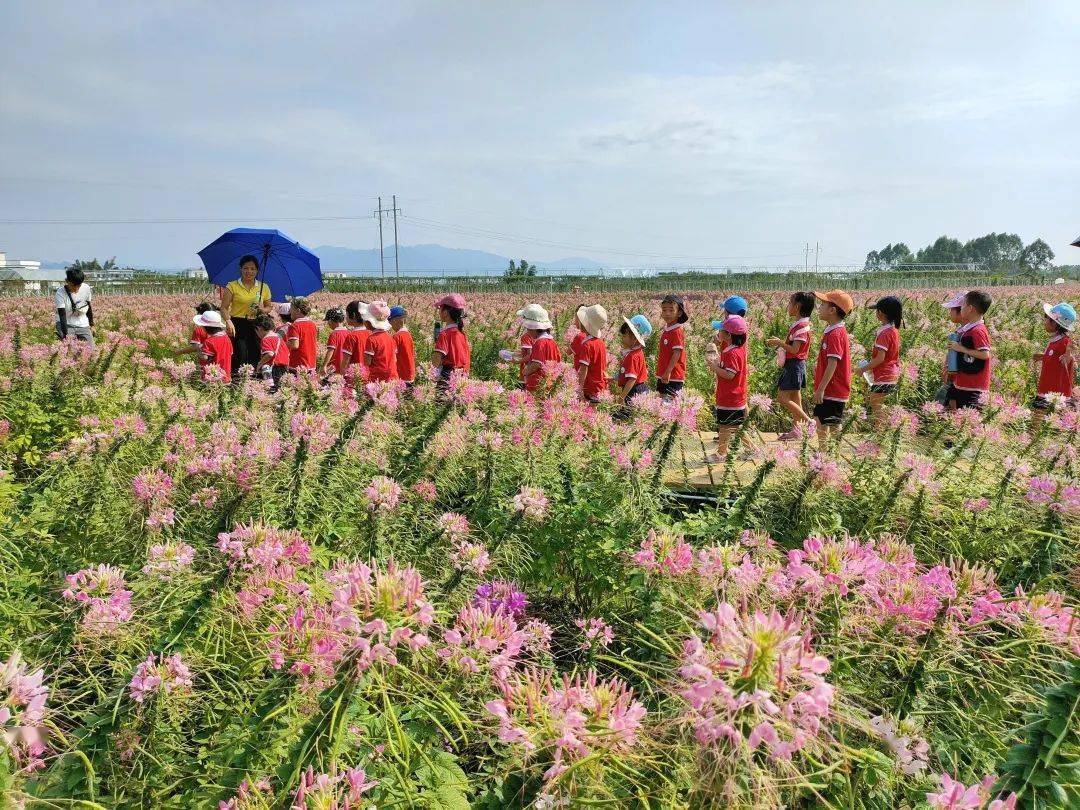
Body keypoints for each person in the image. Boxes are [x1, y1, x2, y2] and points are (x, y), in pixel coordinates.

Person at [766, 291, 814, 439]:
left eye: (790, 303)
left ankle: (808, 421)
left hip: (794, 365)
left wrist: (779, 343)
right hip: (796, 364)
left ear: (797, 306)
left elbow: (795, 349)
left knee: (782, 398)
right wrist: (781, 341)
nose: (788, 306)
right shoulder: (800, 324)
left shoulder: (801, 327)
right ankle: (796, 430)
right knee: (794, 397)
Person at [810, 289, 853, 448]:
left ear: (832, 310)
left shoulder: (836, 334)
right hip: (830, 388)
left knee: (832, 424)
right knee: (821, 421)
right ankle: (824, 454)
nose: (819, 308)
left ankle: (830, 455)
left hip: (833, 389)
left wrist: (821, 389)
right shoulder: (833, 331)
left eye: (822, 304)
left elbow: (833, 363)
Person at [705, 315, 748, 462]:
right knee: (736, 426)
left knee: (724, 427)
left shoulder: (732, 353)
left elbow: (729, 375)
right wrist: (718, 363)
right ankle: (752, 450)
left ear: (729, 335)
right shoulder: (735, 349)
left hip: (730, 397)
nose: (718, 332)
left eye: (721, 330)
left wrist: (714, 367)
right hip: (734, 396)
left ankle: (721, 454)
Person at [220, 255, 272, 373]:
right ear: (240, 269)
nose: (249, 271)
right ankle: (238, 380)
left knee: (256, 352)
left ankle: (255, 382)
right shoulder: (232, 286)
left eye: (253, 269)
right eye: (246, 268)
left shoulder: (264, 287)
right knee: (240, 352)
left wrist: (262, 309)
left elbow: (269, 307)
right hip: (238, 324)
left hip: (257, 325)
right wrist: (228, 321)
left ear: (257, 271)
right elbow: (223, 307)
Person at [1031, 301, 1076, 429]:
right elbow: (1054, 357)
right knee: (1039, 422)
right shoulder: (1055, 340)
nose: (1044, 321)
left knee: (1053, 426)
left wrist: (1068, 356)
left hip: (1057, 394)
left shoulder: (1066, 342)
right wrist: (1042, 357)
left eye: (1047, 318)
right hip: (1045, 389)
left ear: (1055, 323)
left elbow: (1069, 357)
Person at [860, 296, 903, 428]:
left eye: (877, 310)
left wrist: (862, 369)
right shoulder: (893, 330)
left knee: (877, 406)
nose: (876, 313)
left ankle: (881, 435)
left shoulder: (884, 334)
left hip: (884, 375)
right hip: (891, 374)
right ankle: (885, 431)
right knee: (879, 404)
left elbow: (880, 358)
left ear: (881, 313)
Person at [946, 290, 992, 412]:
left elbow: (985, 354)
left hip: (974, 388)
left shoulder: (978, 330)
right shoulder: (967, 330)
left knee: (970, 423)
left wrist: (961, 348)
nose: (961, 308)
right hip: (963, 384)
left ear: (970, 308)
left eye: (963, 305)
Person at [614, 315, 651, 419]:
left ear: (634, 338)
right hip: (636, 389)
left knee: (627, 417)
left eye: (624, 336)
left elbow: (631, 380)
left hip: (633, 391)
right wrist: (614, 377)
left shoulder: (633, 356)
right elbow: (626, 372)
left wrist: (622, 397)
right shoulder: (636, 352)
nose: (622, 338)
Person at [433, 293, 470, 390]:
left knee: (442, 404)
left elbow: (437, 359)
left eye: (440, 308)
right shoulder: (461, 333)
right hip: (462, 377)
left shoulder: (444, 334)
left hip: (447, 378)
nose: (439, 311)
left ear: (445, 313)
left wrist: (431, 376)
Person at [520, 305, 561, 393]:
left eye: (528, 329)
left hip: (538, 384)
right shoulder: (552, 342)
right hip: (549, 381)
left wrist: (525, 372)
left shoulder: (539, 343)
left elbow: (536, 364)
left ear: (534, 328)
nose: (527, 331)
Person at [936, 292, 966, 405]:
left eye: (952, 309)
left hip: (959, 380)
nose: (950, 312)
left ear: (963, 311)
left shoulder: (968, 333)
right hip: (953, 377)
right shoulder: (959, 331)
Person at [575, 304, 608, 403]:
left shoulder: (587, 345)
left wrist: (579, 389)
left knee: (586, 415)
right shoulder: (600, 342)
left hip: (588, 388)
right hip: (599, 386)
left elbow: (583, 369)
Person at [657, 295, 688, 398]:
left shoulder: (677, 331)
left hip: (673, 375)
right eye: (664, 310)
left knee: (670, 404)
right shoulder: (668, 330)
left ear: (679, 313)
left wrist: (667, 372)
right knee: (661, 402)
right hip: (664, 374)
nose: (667, 313)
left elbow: (677, 353)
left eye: (671, 310)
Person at [55, 267, 94, 349]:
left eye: (79, 286)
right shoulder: (60, 293)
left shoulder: (86, 288)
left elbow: (88, 306)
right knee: (71, 350)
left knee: (91, 350)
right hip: (66, 324)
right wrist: (66, 335)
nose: (76, 289)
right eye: (73, 285)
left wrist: (91, 324)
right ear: (67, 281)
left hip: (82, 324)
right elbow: (62, 314)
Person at [175, 302, 218, 368]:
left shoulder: (199, 329)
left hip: (206, 364)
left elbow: (195, 347)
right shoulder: (220, 329)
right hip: (221, 362)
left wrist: (180, 351)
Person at [364, 301, 399, 383]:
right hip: (392, 377)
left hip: (378, 380)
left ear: (370, 322)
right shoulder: (390, 338)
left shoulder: (371, 339)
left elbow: (367, 362)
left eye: (365, 320)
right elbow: (395, 359)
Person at [255, 313, 289, 390]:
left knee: (272, 388)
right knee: (281, 388)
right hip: (284, 366)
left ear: (259, 329)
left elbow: (270, 354)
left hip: (274, 368)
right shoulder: (279, 337)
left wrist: (260, 363)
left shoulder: (266, 339)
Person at [196, 310, 232, 381]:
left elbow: (205, 357)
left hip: (212, 377)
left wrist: (199, 351)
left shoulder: (209, 342)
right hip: (226, 375)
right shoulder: (227, 338)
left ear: (206, 328)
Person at [285, 297, 318, 373]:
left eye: (291, 308)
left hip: (298, 364)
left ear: (298, 310)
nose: (290, 311)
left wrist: (282, 343)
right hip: (311, 363)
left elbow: (294, 345)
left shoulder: (295, 326)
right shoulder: (312, 324)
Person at [342, 300, 370, 378]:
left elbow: (345, 362)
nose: (346, 317)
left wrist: (341, 378)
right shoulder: (371, 332)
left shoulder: (352, 336)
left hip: (355, 377)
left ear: (353, 316)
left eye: (347, 315)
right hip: (370, 376)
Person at [321, 308, 351, 378]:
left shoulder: (334, 334)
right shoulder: (349, 333)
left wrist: (324, 365)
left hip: (335, 367)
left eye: (327, 321)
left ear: (331, 321)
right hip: (346, 367)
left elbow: (330, 351)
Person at [390, 306, 416, 387]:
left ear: (394, 320)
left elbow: (392, 357)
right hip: (410, 373)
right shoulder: (408, 334)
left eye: (389, 321)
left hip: (401, 375)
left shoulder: (397, 337)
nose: (390, 325)